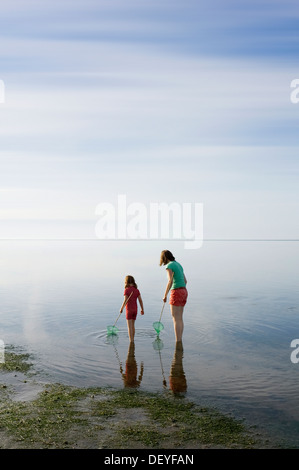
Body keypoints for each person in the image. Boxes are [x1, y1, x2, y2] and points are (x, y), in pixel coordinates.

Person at [160, 250, 188, 342]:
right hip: (184, 291)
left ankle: (177, 341)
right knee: (180, 317)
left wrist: (165, 295)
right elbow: (185, 281)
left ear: (164, 258)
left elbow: (170, 281)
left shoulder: (169, 266)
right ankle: (180, 339)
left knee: (175, 318)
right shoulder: (178, 264)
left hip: (176, 291)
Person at [120, 275, 144, 342]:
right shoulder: (136, 290)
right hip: (135, 310)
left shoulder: (126, 290)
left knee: (129, 327)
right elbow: (140, 300)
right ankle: (133, 339)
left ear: (126, 282)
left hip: (129, 310)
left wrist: (121, 308)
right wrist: (142, 309)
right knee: (133, 326)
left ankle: (131, 341)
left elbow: (125, 300)